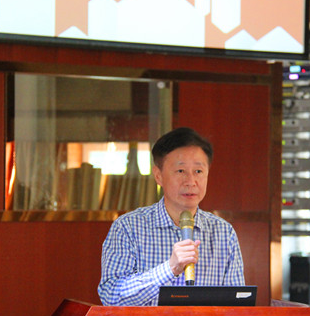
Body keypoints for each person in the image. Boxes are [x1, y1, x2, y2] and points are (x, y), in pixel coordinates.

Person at [98, 127, 245, 306]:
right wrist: (169, 269)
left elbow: (237, 307)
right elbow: (111, 297)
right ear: (158, 176)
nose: (191, 181)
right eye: (180, 171)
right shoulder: (128, 227)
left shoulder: (223, 232)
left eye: (198, 171)